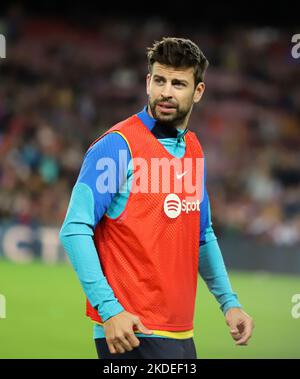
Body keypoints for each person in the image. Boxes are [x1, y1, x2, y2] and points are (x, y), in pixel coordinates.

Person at [59, 37, 254, 359]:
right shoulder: (116, 146)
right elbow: (74, 228)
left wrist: (229, 303)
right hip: (131, 332)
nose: (166, 91)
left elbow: (202, 236)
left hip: (179, 332)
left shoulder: (193, 149)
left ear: (198, 92)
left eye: (178, 84)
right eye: (159, 80)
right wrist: (109, 310)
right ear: (148, 82)